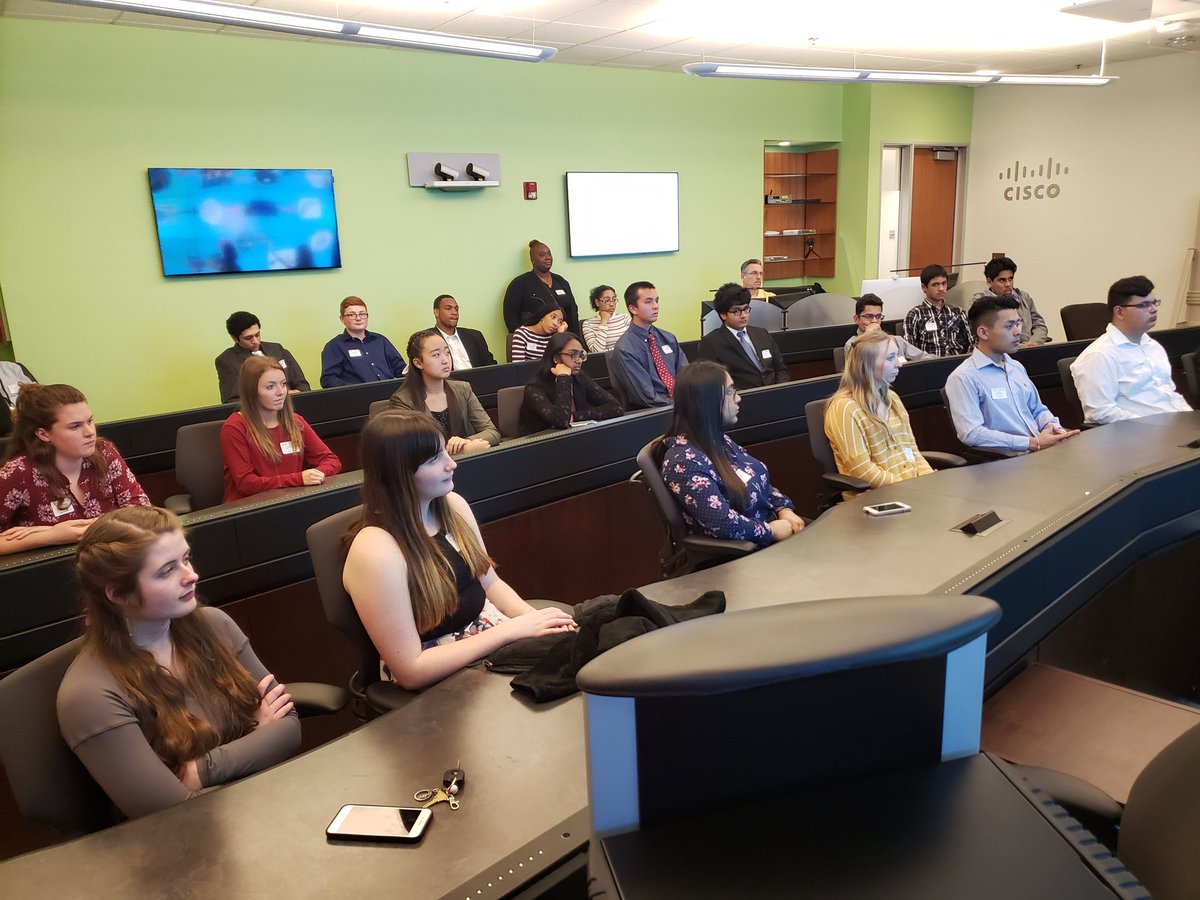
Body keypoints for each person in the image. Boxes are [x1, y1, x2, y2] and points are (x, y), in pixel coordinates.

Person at [57, 506, 300, 820]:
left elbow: (289, 727)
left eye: (186, 559)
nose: (191, 575)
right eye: (167, 570)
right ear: (119, 594)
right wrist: (259, 737)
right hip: (180, 850)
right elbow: (171, 813)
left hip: (260, 813)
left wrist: (202, 770)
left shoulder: (215, 625)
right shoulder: (90, 694)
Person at [341, 412, 578, 691]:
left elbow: (490, 583)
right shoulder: (375, 550)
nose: (451, 464)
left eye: (445, 453)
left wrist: (533, 621)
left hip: (487, 641)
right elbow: (411, 670)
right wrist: (510, 631)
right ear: (397, 472)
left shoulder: (451, 505)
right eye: (434, 460)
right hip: (440, 677)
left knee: (579, 651)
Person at [658, 361, 803, 548]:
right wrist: (771, 531)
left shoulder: (718, 440)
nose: (738, 398)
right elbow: (723, 524)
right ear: (708, 401)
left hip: (771, 530)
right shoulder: (684, 462)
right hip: (745, 553)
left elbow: (757, 481)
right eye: (730, 391)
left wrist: (784, 508)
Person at [0, 384, 149, 555]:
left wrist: (87, 528)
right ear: (43, 434)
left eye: (89, 421)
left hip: (113, 562)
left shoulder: (104, 452)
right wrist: (50, 536)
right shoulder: (18, 471)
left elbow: (142, 513)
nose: (89, 432)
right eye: (75, 426)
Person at [946, 296, 1079, 452]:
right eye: (1009, 326)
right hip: (1005, 462)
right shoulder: (963, 377)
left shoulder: (1015, 367)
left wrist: (1056, 430)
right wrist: (1031, 443)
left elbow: (1038, 410)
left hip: (1039, 452)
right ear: (983, 332)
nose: (1018, 332)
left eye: (1018, 323)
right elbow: (972, 434)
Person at [1070, 275, 1192, 425]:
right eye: (1144, 305)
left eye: (1154, 303)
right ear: (1119, 312)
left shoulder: (1152, 346)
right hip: (1141, 436)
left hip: (1175, 427)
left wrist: (1190, 421)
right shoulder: (1100, 355)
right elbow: (1101, 413)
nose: (1153, 309)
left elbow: (1170, 395)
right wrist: (1156, 425)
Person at [220, 356, 342, 502]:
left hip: (290, 500)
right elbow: (247, 484)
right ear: (251, 391)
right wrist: (298, 479)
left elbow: (331, 460)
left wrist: (317, 474)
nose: (281, 392)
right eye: (270, 387)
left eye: (283, 384)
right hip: (249, 507)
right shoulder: (234, 427)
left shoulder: (295, 421)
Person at [825, 330, 934, 489]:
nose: (899, 363)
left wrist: (930, 481)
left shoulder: (892, 399)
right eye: (891, 358)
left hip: (910, 489)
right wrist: (910, 488)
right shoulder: (844, 408)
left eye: (897, 356)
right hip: (876, 499)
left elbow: (912, 451)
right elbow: (862, 470)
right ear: (867, 364)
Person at [389, 330, 500, 455]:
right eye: (436, 355)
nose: (445, 360)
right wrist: (459, 451)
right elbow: (409, 450)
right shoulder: (403, 400)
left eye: (447, 353)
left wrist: (467, 442)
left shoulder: (463, 389)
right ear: (418, 363)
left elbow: (492, 431)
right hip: (429, 471)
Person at [518, 332, 622, 436]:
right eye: (573, 355)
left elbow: (616, 407)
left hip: (574, 437)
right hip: (540, 444)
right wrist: (563, 378)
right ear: (555, 358)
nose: (579, 360)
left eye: (581, 355)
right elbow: (562, 421)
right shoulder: (534, 388)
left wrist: (574, 417)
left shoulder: (578, 376)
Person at [608, 281, 688, 410]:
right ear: (633, 308)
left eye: (657, 300)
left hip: (682, 404)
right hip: (655, 411)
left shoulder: (668, 338)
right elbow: (647, 397)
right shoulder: (625, 349)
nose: (655, 306)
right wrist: (680, 405)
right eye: (648, 302)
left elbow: (686, 374)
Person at [696, 283, 790, 389]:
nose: (743, 315)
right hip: (742, 398)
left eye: (746, 309)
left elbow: (781, 369)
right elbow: (712, 383)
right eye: (736, 311)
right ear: (723, 315)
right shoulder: (711, 342)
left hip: (775, 393)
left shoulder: (761, 333)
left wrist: (781, 389)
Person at [214, 311, 310, 404]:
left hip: (292, 406)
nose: (255, 341)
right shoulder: (227, 361)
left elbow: (303, 385)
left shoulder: (277, 349)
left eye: (257, 335)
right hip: (258, 415)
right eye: (248, 338)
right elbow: (232, 401)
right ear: (234, 338)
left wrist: (296, 393)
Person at [319, 296, 406, 388]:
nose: (358, 318)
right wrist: (354, 390)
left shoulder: (380, 340)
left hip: (390, 395)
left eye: (362, 314)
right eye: (352, 315)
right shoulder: (334, 346)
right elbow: (328, 379)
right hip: (358, 398)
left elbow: (400, 369)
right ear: (342, 319)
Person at [502, 240, 581, 335]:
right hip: (535, 340)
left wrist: (574, 337)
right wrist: (523, 337)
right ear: (532, 259)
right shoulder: (520, 284)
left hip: (563, 338)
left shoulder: (561, 281)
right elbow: (510, 316)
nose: (547, 258)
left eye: (549, 254)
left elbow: (572, 311)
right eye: (542, 255)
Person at [971, 257, 1049, 346]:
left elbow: (1039, 326)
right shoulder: (980, 302)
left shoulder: (1024, 297)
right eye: (1002, 280)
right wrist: (1019, 346)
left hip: (1029, 347)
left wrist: (1034, 342)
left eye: (1010, 279)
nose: (1008, 284)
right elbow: (983, 335)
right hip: (1000, 351)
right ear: (989, 282)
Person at [903, 264, 973, 357]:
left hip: (956, 364)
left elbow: (974, 341)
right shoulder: (915, 314)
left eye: (944, 283)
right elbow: (909, 350)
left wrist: (966, 361)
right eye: (935, 285)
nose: (941, 289)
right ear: (924, 287)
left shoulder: (958, 312)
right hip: (929, 365)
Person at [844, 294, 929, 362]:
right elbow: (862, 372)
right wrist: (868, 336)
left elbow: (927, 358)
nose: (874, 321)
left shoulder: (896, 340)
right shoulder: (852, 345)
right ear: (856, 319)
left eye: (878, 316)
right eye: (869, 316)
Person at [433, 294, 497, 370]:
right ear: (436, 312)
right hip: (448, 381)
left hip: (478, 380)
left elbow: (490, 365)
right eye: (448, 309)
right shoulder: (428, 339)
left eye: (456, 309)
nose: (454, 312)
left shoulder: (474, 336)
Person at [580, 284, 630, 353]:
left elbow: (634, 344)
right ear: (597, 302)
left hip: (627, 358)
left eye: (614, 300)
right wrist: (604, 322)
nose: (612, 304)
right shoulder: (588, 324)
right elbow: (596, 352)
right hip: (604, 362)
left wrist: (609, 351)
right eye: (607, 300)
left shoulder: (625, 318)